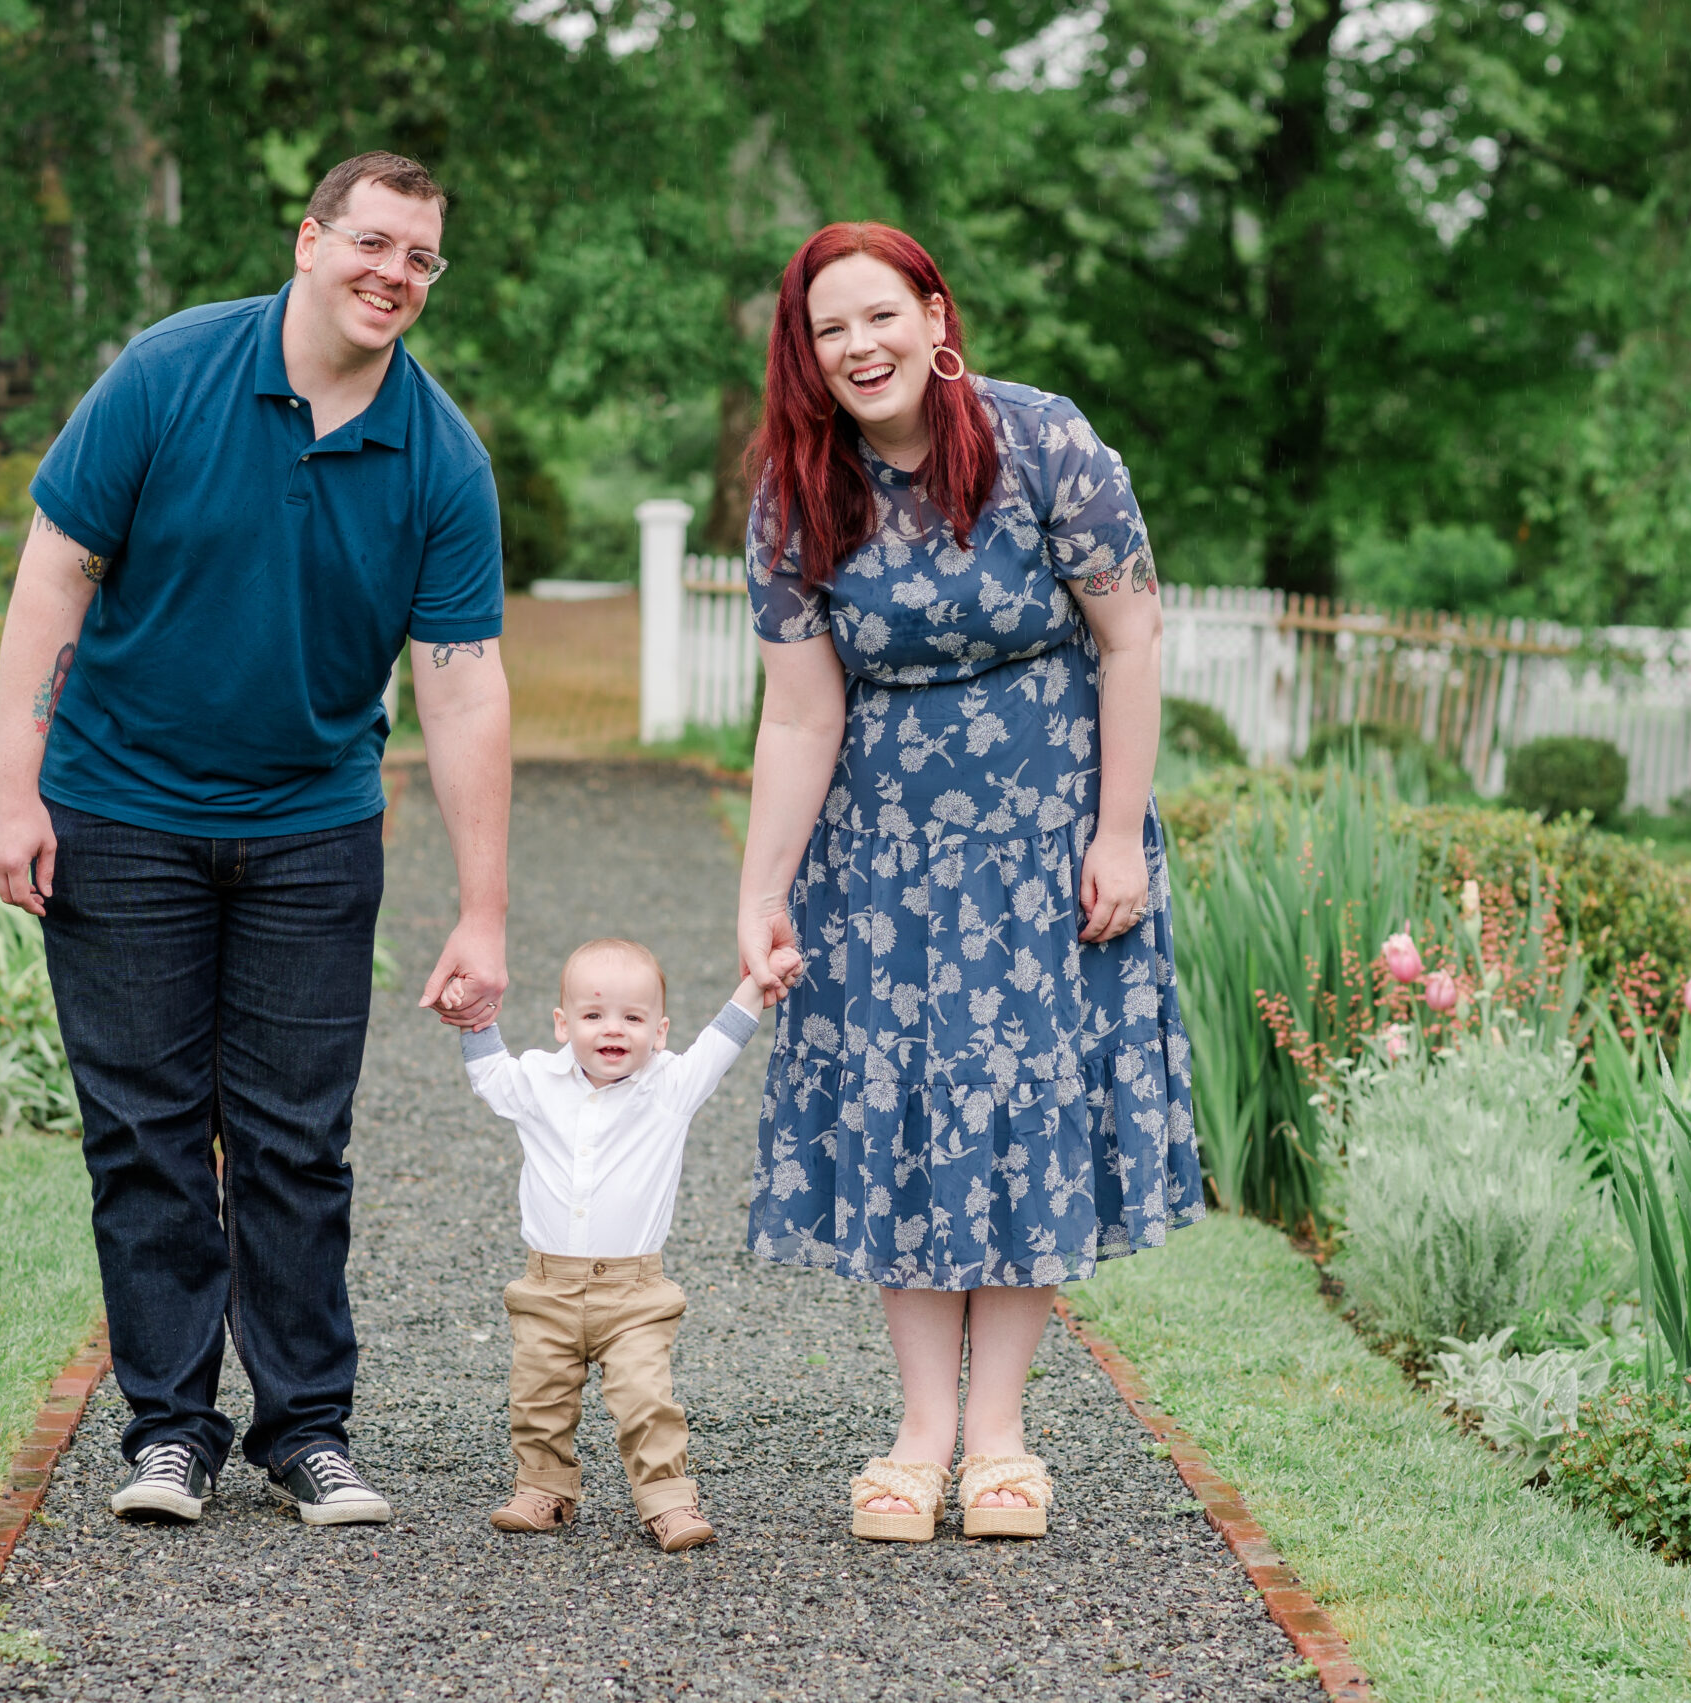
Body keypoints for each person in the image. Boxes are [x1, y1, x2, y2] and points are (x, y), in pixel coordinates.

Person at [0, 151, 512, 1529]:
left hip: (310, 829)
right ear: (311, 237)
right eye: (373, 243)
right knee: (147, 1133)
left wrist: (485, 909)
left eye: (420, 259)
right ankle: (167, 1430)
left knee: (294, 1141)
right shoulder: (168, 373)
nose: (393, 274)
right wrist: (12, 787)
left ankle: (306, 1428)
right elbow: (55, 571)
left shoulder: (440, 454)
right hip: (121, 809)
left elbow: (460, 683)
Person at [733, 222, 1204, 1542]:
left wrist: (1116, 833)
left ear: (937, 317)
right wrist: (763, 887)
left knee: (1023, 1118)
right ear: (809, 357)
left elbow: (1132, 635)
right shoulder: (797, 492)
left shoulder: (1046, 441)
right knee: (912, 1116)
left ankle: (1000, 1435)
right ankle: (918, 1430)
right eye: (830, 330)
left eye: (881, 314)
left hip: (1051, 835)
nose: (859, 345)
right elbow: (799, 716)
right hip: (883, 853)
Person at [455, 940, 772, 1552]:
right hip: (546, 1286)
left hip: (635, 1293)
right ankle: (544, 1489)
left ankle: (667, 1501)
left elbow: (720, 1043)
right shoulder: (538, 1082)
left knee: (646, 1398)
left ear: (659, 1030)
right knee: (538, 1394)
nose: (613, 1030)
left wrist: (757, 984)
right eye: (594, 1015)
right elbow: (489, 1076)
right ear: (562, 1023)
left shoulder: (671, 1087)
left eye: (633, 1017)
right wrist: (475, 1015)